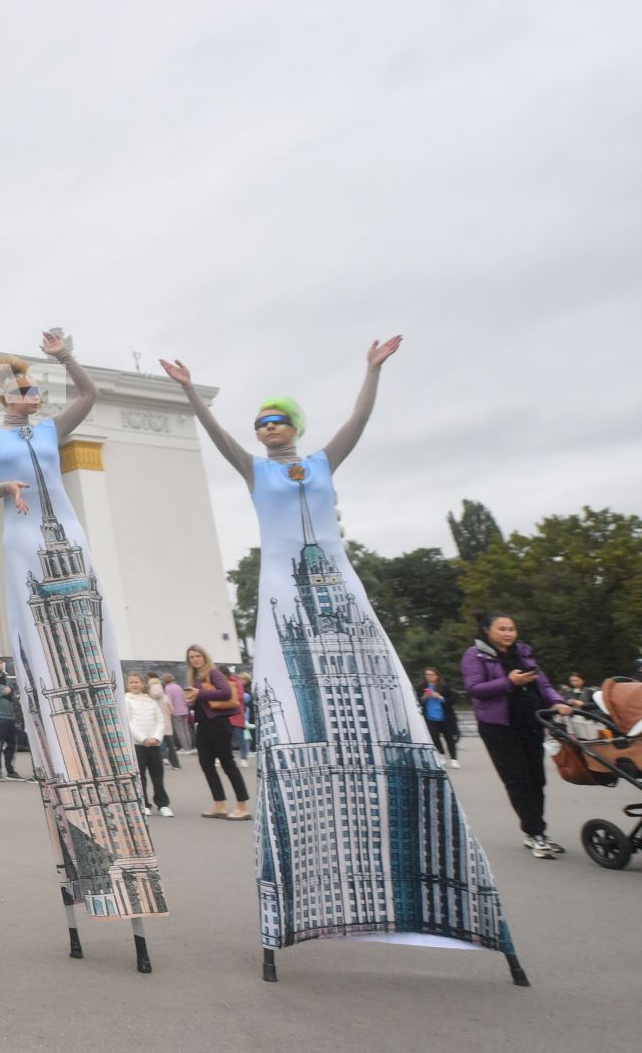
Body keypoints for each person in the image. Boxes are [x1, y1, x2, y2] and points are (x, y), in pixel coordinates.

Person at [165, 339, 520, 976]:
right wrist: (191, 390)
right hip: (282, 595)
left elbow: (359, 420)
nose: (266, 429)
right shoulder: (255, 470)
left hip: (338, 587)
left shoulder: (324, 461)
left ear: (295, 426)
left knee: (377, 693)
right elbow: (215, 433)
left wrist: (371, 371)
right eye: (260, 423)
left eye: (276, 420)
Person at [0, 333, 168, 945]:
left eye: (32, 388)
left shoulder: (53, 429)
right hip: (24, 547)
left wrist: (64, 357)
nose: (27, 395)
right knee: (47, 666)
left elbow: (90, 392)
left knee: (91, 639)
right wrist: (3, 490)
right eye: (18, 388)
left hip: (70, 548)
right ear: (4, 395)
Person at [463, 612, 573, 859]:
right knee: (518, 781)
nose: (508, 633)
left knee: (537, 781)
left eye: (511, 628)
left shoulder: (523, 652)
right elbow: (475, 689)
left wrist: (557, 702)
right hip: (499, 728)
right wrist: (509, 682)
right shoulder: (474, 655)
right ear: (487, 630)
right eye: (502, 629)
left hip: (531, 722)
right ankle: (537, 834)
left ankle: (534, 831)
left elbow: (543, 684)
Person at [183, 646, 249, 819]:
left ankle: (242, 807)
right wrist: (191, 701)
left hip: (219, 723)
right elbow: (202, 700)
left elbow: (226, 692)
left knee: (228, 764)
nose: (195, 659)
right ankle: (219, 805)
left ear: (205, 657)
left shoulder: (213, 673)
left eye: (198, 656)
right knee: (206, 765)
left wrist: (200, 693)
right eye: (191, 657)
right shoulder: (194, 677)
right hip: (203, 724)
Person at [125, 673, 172, 817]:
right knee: (140, 776)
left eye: (137, 682)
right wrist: (143, 738)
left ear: (142, 684)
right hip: (137, 744)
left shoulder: (151, 700)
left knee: (157, 775)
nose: (134, 684)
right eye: (131, 682)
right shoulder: (125, 700)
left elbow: (160, 720)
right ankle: (144, 804)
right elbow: (128, 722)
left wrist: (156, 737)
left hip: (154, 744)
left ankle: (163, 804)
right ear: (127, 685)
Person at [419, 668, 462, 768]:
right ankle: (441, 755)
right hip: (430, 717)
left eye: (431, 674)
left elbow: (452, 701)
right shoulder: (421, 687)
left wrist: (439, 697)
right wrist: (424, 697)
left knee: (449, 738)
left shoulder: (445, 687)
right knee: (434, 737)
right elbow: (417, 701)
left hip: (445, 717)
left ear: (437, 676)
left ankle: (453, 759)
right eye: (427, 675)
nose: (429, 676)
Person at [148, 675, 180, 769]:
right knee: (170, 745)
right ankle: (175, 764)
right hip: (166, 724)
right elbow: (172, 710)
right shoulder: (165, 697)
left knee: (154, 745)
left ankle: (154, 764)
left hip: (154, 725)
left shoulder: (149, 698)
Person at [161, 672, 191, 767]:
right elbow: (183, 697)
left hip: (177, 711)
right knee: (186, 730)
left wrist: (170, 710)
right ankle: (189, 746)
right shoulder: (178, 686)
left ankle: (185, 748)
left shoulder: (168, 688)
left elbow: (170, 700)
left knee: (179, 731)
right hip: (184, 710)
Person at [232, 671, 253, 765]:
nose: (241, 680)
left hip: (242, 713)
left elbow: (247, 699)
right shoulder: (239, 687)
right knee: (241, 736)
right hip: (239, 713)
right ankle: (244, 755)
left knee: (243, 735)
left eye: (243, 679)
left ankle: (245, 754)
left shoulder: (246, 689)